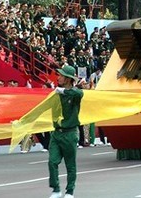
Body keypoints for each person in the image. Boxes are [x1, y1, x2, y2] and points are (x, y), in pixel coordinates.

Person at [49, 65, 83, 198]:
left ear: (68, 79)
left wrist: (63, 91)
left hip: (70, 133)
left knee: (70, 165)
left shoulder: (73, 94)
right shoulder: (56, 93)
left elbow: (80, 93)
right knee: (52, 162)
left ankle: (70, 191)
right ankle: (56, 189)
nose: (58, 77)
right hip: (57, 133)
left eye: (61, 75)